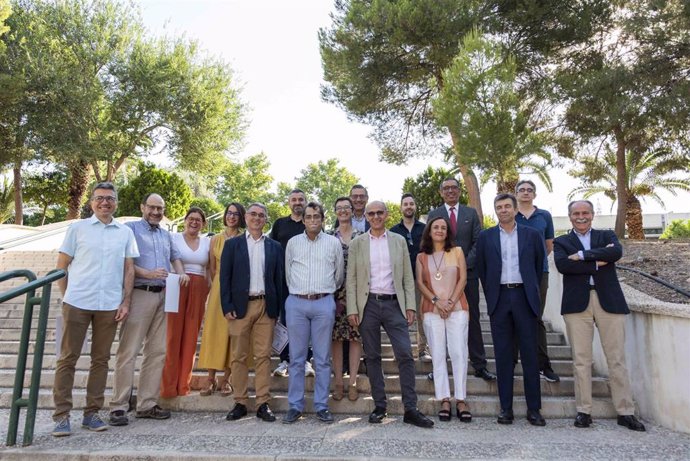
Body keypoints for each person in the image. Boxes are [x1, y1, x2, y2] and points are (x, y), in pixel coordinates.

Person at [51, 182, 138, 437]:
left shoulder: (124, 233)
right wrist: (67, 297)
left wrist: (126, 302)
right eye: (100, 198)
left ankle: (91, 413)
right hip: (77, 302)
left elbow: (129, 269)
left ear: (116, 203)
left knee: (101, 361)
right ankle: (61, 416)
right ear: (91, 202)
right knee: (68, 359)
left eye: (110, 198)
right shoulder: (77, 229)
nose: (105, 203)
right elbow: (61, 266)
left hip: (109, 305)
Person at [554, 200, 645, 432]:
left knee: (616, 359)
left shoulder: (607, 236)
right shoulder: (562, 241)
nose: (581, 216)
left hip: (609, 301)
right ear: (570, 216)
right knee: (581, 360)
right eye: (576, 213)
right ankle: (584, 411)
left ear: (592, 215)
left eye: (585, 212)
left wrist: (582, 256)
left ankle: (625, 411)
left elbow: (616, 252)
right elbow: (564, 265)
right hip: (577, 305)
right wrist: (597, 263)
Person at [347, 201, 434, 428]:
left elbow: (407, 275)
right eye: (371, 213)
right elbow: (352, 279)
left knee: (405, 354)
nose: (375, 216)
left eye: (379, 212)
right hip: (368, 305)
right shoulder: (357, 243)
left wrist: (410, 306)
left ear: (386, 215)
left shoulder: (398, 241)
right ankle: (380, 406)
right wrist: (352, 309)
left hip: (395, 304)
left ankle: (410, 409)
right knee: (373, 357)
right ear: (366, 216)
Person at [109, 193, 189, 426]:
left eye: (160, 208)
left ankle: (146, 404)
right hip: (139, 294)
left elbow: (175, 258)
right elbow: (125, 262)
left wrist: (181, 272)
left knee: (157, 352)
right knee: (128, 351)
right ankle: (119, 406)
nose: (156, 212)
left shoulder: (166, 235)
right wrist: (148, 273)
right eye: (152, 207)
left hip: (163, 296)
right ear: (142, 207)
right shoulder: (130, 229)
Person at [476, 193, 546, 426]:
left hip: (524, 297)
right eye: (499, 207)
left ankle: (534, 410)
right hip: (500, 299)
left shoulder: (532, 235)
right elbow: (482, 271)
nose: (503, 210)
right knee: (504, 357)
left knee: (530, 357)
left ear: (516, 209)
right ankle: (506, 409)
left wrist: (529, 293)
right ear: (495, 211)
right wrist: (493, 296)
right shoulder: (485, 237)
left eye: (507, 206)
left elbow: (537, 268)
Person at [428, 178, 495, 382]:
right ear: (441, 192)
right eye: (446, 188)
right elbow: (430, 243)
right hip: (441, 278)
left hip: (469, 275)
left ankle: (479, 364)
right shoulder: (434, 214)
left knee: (471, 318)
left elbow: (478, 241)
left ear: (459, 191)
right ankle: (440, 366)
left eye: (454, 188)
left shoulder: (470, 213)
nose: (450, 191)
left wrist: (462, 265)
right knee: (441, 320)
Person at [283, 202, 344, 424]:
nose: (312, 220)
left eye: (316, 216)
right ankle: (295, 406)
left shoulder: (333, 243)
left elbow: (339, 276)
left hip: (323, 302)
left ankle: (321, 405)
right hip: (297, 303)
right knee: (297, 358)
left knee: (322, 359)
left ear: (322, 219)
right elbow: (288, 273)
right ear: (304, 219)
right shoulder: (293, 243)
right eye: (308, 217)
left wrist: (324, 295)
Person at [222, 203, 284, 423]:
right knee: (238, 356)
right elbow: (224, 277)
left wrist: (277, 309)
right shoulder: (232, 245)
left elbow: (278, 280)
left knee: (264, 356)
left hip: (265, 307)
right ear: (245, 217)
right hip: (240, 307)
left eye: (261, 215)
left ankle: (262, 402)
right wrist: (226, 305)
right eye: (253, 214)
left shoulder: (275, 246)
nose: (257, 218)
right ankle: (239, 401)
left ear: (266, 219)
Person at [415, 216, 471, 422]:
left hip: (457, 309)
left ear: (448, 232)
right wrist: (438, 302)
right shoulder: (421, 257)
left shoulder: (456, 252)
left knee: (458, 353)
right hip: (432, 310)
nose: (439, 230)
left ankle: (461, 399)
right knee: (438, 354)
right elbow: (420, 283)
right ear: (429, 231)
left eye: (443, 228)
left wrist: (450, 302)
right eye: (435, 227)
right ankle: (444, 399)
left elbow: (463, 278)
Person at [161, 207, 211, 398]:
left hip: (198, 287)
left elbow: (208, 269)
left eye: (198, 219)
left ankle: (183, 385)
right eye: (191, 218)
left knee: (191, 338)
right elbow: (170, 260)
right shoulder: (173, 238)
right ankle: (168, 387)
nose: (194, 222)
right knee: (173, 337)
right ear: (185, 220)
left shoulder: (207, 242)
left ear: (203, 223)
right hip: (176, 284)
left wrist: (206, 290)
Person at [197, 203, 246, 396]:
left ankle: (227, 378)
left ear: (241, 217)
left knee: (232, 334)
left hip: (239, 289)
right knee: (214, 332)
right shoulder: (215, 239)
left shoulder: (245, 239)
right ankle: (210, 378)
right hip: (218, 288)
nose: (231, 217)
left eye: (235, 214)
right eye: (229, 213)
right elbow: (212, 268)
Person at [515, 179, 559, 383]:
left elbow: (548, 245)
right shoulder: (510, 215)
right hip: (514, 275)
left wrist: (534, 261)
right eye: (522, 190)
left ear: (534, 194)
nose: (525, 193)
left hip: (539, 273)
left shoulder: (544, 216)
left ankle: (543, 365)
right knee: (513, 316)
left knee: (536, 317)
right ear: (516, 194)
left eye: (529, 190)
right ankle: (513, 360)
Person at [269, 189, 315, 378]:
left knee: (306, 323)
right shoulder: (280, 224)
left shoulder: (311, 224)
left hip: (306, 282)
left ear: (306, 202)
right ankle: (284, 361)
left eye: (301, 199)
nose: (297, 202)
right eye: (294, 199)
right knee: (285, 321)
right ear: (289, 203)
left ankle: (305, 360)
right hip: (283, 282)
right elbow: (270, 250)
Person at [327, 197, 363, 402]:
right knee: (336, 339)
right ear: (335, 211)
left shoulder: (362, 236)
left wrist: (355, 298)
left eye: (346, 208)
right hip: (333, 295)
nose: (343, 211)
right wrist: (333, 297)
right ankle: (339, 381)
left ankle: (353, 382)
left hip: (357, 295)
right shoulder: (328, 236)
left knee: (355, 337)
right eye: (339, 208)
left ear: (352, 210)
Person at [390, 193, 430, 363]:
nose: (408, 206)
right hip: (399, 280)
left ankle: (422, 350)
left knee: (422, 315)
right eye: (405, 204)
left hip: (421, 279)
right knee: (399, 316)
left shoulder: (425, 229)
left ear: (415, 207)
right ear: (401, 207)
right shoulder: (393, 231)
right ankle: (400, 351)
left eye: (411, 204)